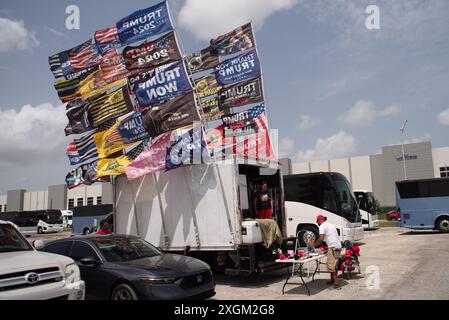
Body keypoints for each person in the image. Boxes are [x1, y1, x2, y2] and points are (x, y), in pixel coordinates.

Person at [308, 215, 342, 289]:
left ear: (320, 220)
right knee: (334, 264)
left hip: (333, 247)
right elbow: (328, 237)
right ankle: (332, 280)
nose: (317, 224)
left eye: (317, 222)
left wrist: (313, 245)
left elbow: (321, 238)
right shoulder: (330, 225)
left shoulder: (322, 226)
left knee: (331, 265)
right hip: (338, 246)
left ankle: (336, 283)